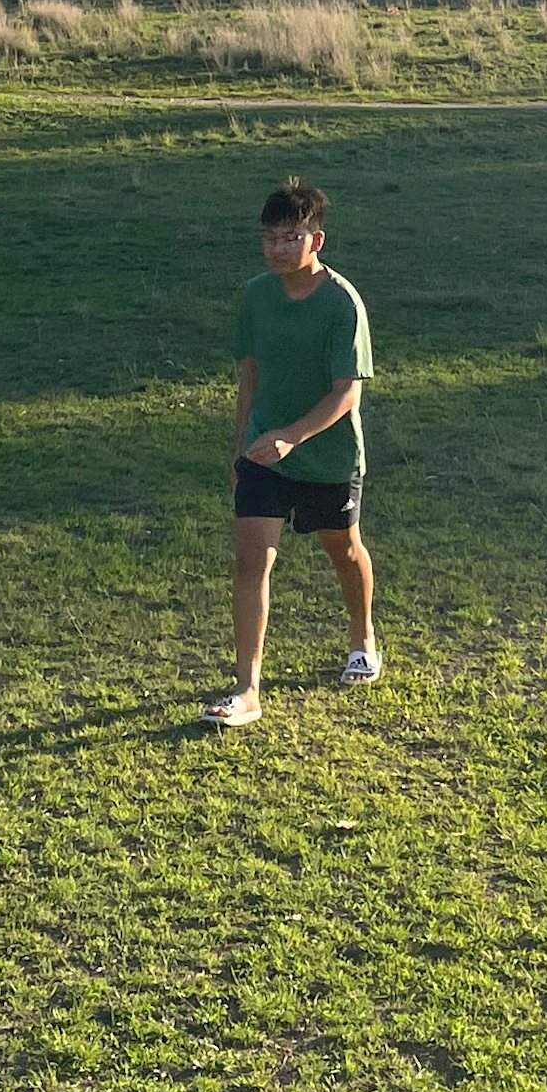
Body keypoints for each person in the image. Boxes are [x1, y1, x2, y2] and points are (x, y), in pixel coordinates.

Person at [207, 177, 379, 727]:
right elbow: (249, 377)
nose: (279, 248)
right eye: (270, 238)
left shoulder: (341, 303)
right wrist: (242, 450)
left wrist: (292, 437)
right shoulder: (257, 295)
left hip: (326, 456)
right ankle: (247, 689)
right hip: (262, 454)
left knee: (343, 550)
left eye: (291, 236)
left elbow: (346, 391)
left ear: (317, 240)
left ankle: (363, 641)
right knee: (251, 563)